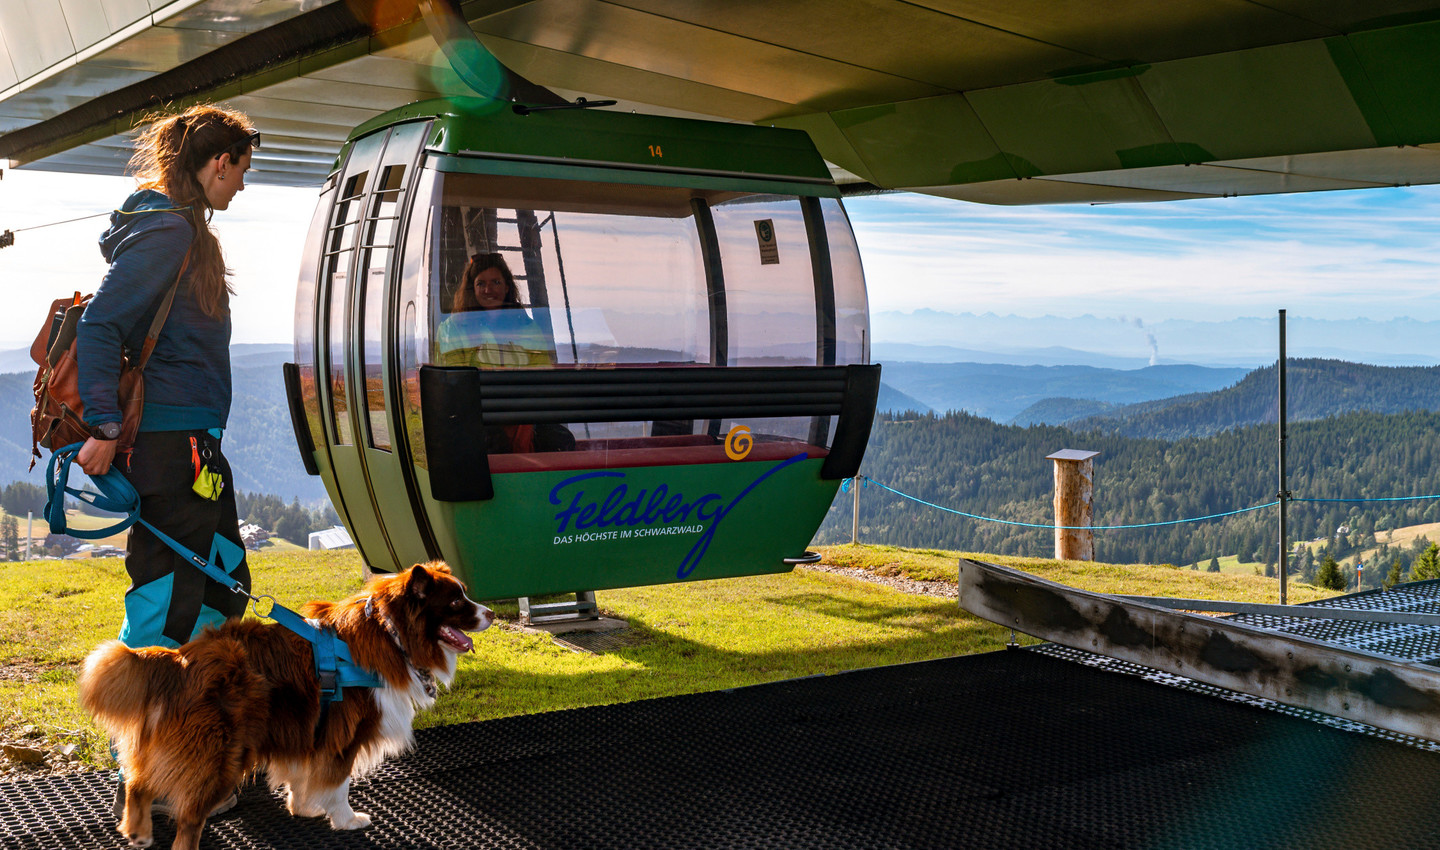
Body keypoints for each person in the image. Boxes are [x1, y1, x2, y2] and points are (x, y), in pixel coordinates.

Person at [76, 104, 258, 652]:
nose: (243, 186)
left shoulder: (184, 229)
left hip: (195, 444)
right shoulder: (168, 232)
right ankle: (134, 733)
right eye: (244, 171)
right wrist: (105, 428)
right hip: (168, 443)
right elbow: (100, 324)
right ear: (220, 163)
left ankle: (199, 714)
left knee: (223, 583)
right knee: (169, 594)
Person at [435, 252, 574, 453]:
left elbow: (542, 376)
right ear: (472, 290)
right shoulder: (453, 329)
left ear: (507, 287)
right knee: (493, 444)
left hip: (524, 415)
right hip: (478, 416)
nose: (488, 289)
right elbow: (457, 386)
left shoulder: (527, 327)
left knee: (561, 442)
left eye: (496, 282)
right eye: (481, 283)